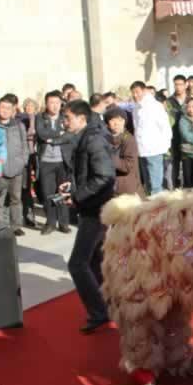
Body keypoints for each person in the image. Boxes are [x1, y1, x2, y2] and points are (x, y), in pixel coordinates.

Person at [57, 100, 115, 334]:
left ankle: (99, 311)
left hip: (96, 210)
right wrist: (73, 187)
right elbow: (90, 173)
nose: (64, 121)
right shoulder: (85, 138)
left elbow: (104, 176)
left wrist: (78, 196)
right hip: (92, 206)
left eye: (68, 118)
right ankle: (108, 305)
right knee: (93, 261)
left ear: (82, 119)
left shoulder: (93, 140)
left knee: (77, 263)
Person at [36, 90, 73, 234]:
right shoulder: (41, 117)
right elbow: (41, 134)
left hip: (62, 161)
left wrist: (53, 138)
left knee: (63, 192)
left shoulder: (65, 117)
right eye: (51, 102)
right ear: (46, 104)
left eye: (57, 102)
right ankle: (50, 222)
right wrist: (59, 134)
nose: (55, 105)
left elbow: (69, 134)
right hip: (46, 161)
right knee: (47, 193)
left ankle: (64, 223)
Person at [131, 80, 172, 196]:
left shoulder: (155, 106)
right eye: (133, 93)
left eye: (137, 92)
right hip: (141, 150)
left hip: (154, 149)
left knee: (155, 185)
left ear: (144, 91)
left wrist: (165, 145)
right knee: (148, 184)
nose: (135, 95)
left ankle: (157, 209)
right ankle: (150, 209)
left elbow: (165, 127)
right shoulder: (136, 108)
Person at [0, 96, 28, 236]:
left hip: (17, 169)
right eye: (2, 107)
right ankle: (0, 225)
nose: (5, 111)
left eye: (8, 108)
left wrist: (23, 161)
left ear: (13, 110)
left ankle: (16, 225)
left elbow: (24, 146)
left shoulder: (19, 126)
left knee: (16, 199)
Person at [105, 107, 144, 198]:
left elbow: (127, 166)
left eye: (120, 120)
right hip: (112, 187)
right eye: (112, 120)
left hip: (127, 188)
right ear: (107, 123)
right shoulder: (105, 139)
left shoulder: (129, 140)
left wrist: (109, 157)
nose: (116, 123)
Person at [19, 98, 39, 228]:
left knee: (36, 183)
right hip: (25, 156)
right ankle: (27, 215)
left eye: (32, 106)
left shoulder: (39, 119)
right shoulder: (20, 119)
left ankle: (31, 213)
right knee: (25, 186)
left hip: (36, 155)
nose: (29, 108)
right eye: (27, 106)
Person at [165, 74, 188, 190]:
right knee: (173, 165)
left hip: (188, 139)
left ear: (185, 85)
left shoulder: (191, 100)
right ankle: (174, 189)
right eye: (176, 84)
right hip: (173, 138)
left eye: (180, 84)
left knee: (188, 166)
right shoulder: (169, 102)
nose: (178, 87)